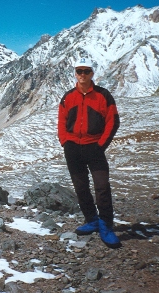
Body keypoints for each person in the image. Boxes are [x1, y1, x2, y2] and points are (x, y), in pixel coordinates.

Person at [57, 57, 121, 248]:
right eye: (79, 71)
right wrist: (65, 142)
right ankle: (92, 220)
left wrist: (101, 145)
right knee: (81, 187)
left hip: (94, 147)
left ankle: (106, 225)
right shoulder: (68, 97)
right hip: (73, 149)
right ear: (75, 74)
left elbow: (113, 121)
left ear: (92, 73)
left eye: (86, 71)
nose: (82, 75)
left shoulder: (103, 95)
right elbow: (61, 121)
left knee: (102, 186)